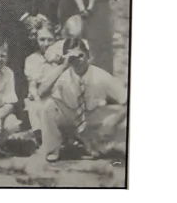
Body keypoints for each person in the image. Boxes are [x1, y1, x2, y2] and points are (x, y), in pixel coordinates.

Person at [31, 35, 127, 165]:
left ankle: (92, 143)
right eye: (73, 57)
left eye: (80, 56)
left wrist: (112, 122)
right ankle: (54, 150)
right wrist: (63, 66)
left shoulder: (101, 76)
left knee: (123, 120)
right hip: (69, 117)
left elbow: (127, 101)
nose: (78, 61)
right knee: (48, 106)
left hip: (91, 117)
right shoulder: (62, 74)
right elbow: (41, 92)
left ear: (88, 56)